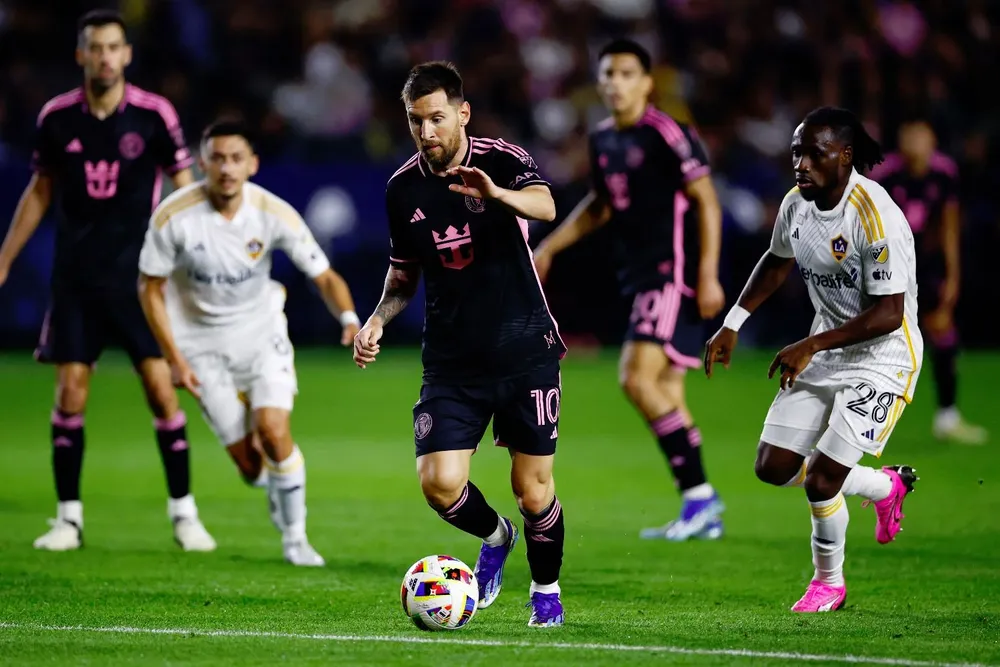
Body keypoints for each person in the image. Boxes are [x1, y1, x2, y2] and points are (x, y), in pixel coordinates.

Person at [353, 61, 566, 627]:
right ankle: (496, 537)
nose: (426, 132)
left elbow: (546, 205)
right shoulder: (402, 189)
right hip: (452, 361)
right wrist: (377, 319)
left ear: (463, 113)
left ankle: (546, 592)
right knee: (439, 484)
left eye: (436, 118)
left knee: (533, 490)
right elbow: (403, 276)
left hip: (524, 349)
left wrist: (496, 194)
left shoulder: (502, 158)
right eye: (414, 120)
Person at [0, 10, 214, 552]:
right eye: (95, 48)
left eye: (113, 47)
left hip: (142, 279)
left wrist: (198, 254)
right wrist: (4, 259)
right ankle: (68, 520)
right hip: (76, 278)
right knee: (70, 393)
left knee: (161, 392)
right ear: (81, 55)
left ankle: (184, 514)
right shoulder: (56, 118)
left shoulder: (154, 114)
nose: (104, 57)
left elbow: (184, 186)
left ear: (127, 55)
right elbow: (40, 191)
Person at [705, 107, 921, 612]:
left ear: (845, 156)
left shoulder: (875, 214)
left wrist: (811, 345)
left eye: (814, 154)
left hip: (883, 357)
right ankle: (884, 485)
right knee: (773, 466)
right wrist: (733, 322)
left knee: (822, 479)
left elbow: (889, 314)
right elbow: (776, 260)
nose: (801, 164)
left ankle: (829, 583)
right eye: (796, 152)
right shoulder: (796, 204)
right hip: (826, 347)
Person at [137, 120, 360, 566]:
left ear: (252, 164)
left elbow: (324, 276)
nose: (227, 168)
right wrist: (174, 358)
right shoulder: (173, 216)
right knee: (251, 466)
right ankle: (278, 486)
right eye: (217, 159)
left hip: (261, 334)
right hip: (200, 345)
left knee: (275, 433)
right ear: (202, 164)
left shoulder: (272, 212)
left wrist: (350, 319)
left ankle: (295, 539)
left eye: (236, 158)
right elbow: (149, 288)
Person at [532, 39, 726, 541]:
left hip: (671, 273)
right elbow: (601, 204)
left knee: (635, 379)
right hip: (637, 275)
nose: (615, 83)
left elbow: (707, 201)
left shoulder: (667, 132)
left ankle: (702, 496)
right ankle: (700, 509)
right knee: (667, 390)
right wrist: (550, 247)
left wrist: (708, 274)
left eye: (626, 74)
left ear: (646, 82)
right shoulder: (602, 139)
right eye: (608, 74)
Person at [870, 119, 986, 444]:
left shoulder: (944, 172)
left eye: (921, 135)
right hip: (890, 266)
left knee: (944, 333)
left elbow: (949, 227)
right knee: (881, 339)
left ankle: (947, 417)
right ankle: (865, 415)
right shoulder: (885, 176)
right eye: (910, 134)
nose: (916, 141)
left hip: (927, 265)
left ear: (932, 139)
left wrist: (952, 276)